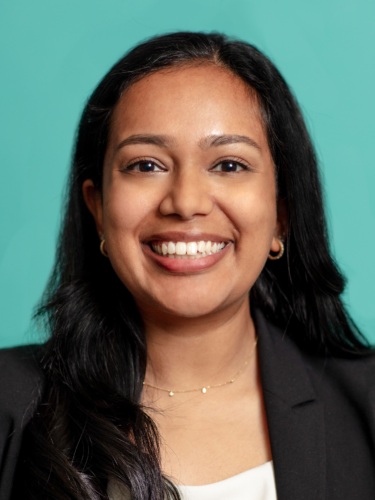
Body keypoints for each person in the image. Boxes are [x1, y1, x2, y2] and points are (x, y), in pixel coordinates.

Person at [0, 31, 374, 500]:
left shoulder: (365, 405)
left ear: (282, 214)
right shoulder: (10, 404)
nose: (186, 202)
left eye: (230, 165)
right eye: (146, 165)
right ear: (97, 208)